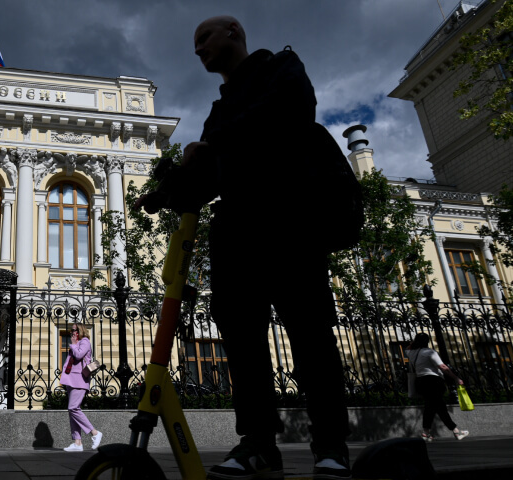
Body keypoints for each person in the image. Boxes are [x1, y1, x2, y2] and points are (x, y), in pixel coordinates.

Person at [136, 16, 353, 480]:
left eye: (203, 40)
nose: (197, 51)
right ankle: (258, 445)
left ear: (233, 32)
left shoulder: (282, 68)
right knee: (242, 344)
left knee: (311, 337)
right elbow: (206, 176)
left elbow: (288, 111)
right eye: (195, 45)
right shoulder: (220, 109)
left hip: (292, 222)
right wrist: (162, 193)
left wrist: (212, 143)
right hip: (237, 236)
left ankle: (332, 447)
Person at [407, 333, 469, 442]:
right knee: (439, 406)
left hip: (420, 382)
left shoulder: (411, 353)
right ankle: (455, 431)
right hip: (433, 382)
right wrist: (456, 378)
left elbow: (408, 348)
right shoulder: (430, 352)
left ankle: (426, 433)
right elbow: (443, 367)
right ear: (427, 341)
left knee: (431, 406)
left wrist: (413, 343)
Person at [60, 323, 102, 452]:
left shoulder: (85, 342)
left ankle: (94, 432)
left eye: (75, 330)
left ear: (81, 330)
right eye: (71, 330)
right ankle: (77, 443)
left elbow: (79, 355)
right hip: (71, 379)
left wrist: (72, 344)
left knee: (73, 408)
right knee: (72, 410)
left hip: (79, 380)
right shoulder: (77, 342)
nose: (72, 332)